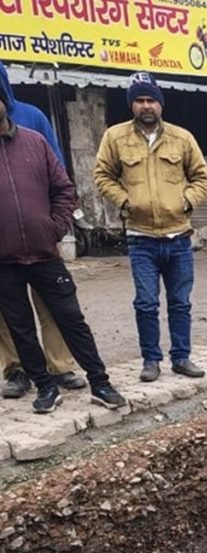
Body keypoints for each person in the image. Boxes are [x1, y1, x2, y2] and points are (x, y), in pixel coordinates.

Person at [0, 85, 126, 413]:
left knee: (71, 319)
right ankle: (44, 387)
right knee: (20, 327)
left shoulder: (34, 142)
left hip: (45, 255)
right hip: (4, 262)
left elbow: (64, 189)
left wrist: (54, 228)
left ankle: (100, 382)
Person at [95, 72, 207, 383]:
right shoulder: (115, 138)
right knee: (146, 303)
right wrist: (125, 201)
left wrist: (186, 202)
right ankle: (151, 360)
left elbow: (203, 178)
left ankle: (182, 357)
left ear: (160, 104)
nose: (146, 106)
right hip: (141, 238)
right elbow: (102, 176)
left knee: (180, 301)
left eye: (151, 100)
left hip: (178, 237)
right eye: (139, 100)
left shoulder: (182, 138)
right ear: (132, 105)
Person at [0, 61, 86, 400]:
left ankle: (60, 366)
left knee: (54, 304)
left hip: (42, 240)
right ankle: (16, 369)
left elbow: (60, 176)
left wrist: (56, 226)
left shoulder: (33, 118)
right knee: (7, 313)